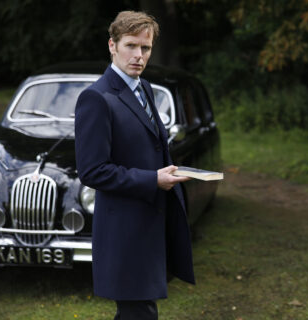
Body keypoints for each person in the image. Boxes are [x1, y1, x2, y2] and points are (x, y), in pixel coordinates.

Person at [74, 10, 194, 320]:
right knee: (139, 312)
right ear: (112, 46)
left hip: (150, 222)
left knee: (140, 311)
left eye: (146, 48)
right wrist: (151, 179)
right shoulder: (96, 98)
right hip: (124, 231)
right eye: (130, 46)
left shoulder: (145, 88)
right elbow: (92, 170)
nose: (139, 56)